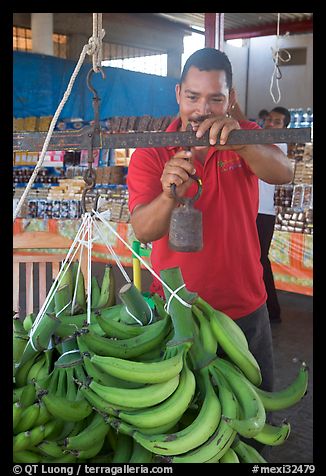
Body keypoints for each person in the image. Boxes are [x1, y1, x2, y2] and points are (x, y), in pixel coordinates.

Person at [127, 48, 293, 393]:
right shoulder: (152, 152)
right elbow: (143, 230)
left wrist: (242, 146)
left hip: (244, 307)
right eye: (192, 97)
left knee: (253, 415)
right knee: (181, 423)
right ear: (178, 94)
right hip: (176, 311)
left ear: (230, 99)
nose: (202, 110)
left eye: (215, 99)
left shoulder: (245, 135)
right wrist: (170, 194)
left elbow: (284, 172)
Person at [258, 107, 291, 324]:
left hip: (263, 213)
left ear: (285, 127)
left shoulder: (277, 145)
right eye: (269, 120)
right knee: (255, 260)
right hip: (254, 209)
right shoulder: (262, 141)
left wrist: (234, 106)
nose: (270, 124)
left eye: (277, 122)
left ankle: (272, 310)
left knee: (260, 260)